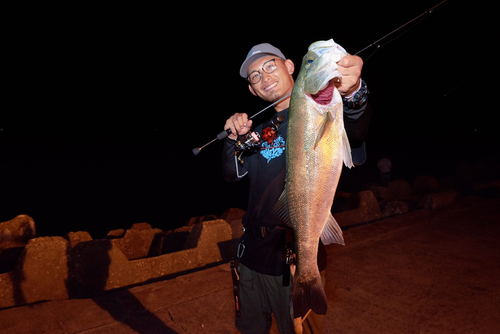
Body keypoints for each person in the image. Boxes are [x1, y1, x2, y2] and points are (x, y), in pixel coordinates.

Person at [222, 42, 371, 334]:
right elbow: (231, 175)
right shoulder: (260, 131)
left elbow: (354, 127)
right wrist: (231, 142)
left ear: (290, 66)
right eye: (254, 76)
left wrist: (354, 93)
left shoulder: (324, 107)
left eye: (269, 66)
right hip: (251, 256)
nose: (263, 77)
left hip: (293, 258)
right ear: (252, 91)